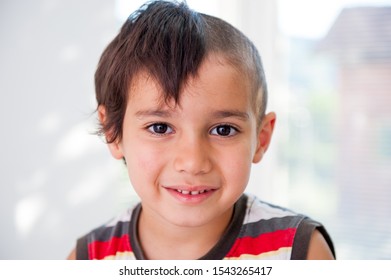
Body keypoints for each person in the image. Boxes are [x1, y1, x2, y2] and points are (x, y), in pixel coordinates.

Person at [67, 0, 335, 260]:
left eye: (223, 130)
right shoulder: (88, 259)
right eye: (160, 128)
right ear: (113, 131)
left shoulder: (301, 253)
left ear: (261, 138)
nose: (193, 162)